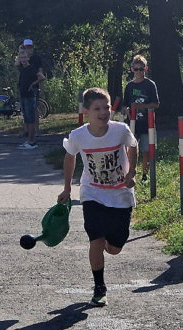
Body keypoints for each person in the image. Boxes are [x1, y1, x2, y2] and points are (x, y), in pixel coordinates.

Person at [57, 88, 138, 307]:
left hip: (120, 194)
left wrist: (132, 173)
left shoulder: (120, 130)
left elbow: (133, 146)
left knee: (115, 248)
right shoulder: (78, 136)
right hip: (92, 193)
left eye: (107, 107)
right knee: (95, 239)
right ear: (86, 112)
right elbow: (70, 159)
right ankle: (99, 287)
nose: (103, 112)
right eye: (97, 109)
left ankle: (106, 244)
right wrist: (67, 189)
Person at [123, 55, 159, 182]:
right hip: (132, 125)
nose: (138, 72)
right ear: (132, 69)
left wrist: (142, 106)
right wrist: (126, 110)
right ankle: (129, 174)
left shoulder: (150, 85)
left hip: (146, 125)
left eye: (141, 69)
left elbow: (156, 104)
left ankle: (145, 176)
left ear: (145, 69)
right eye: (136, 69)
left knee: (146, 151)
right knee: (129, 151)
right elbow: (125, 104)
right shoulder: (129, 86)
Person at [16, 49, 45, 150]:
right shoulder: (22, 69)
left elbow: (42, 77)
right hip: (23, 95)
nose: (23, 60)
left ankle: (32, 141)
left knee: (31, 119)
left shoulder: (31, 68)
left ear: (28, 58)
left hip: (30, 96)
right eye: (21, 58)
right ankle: (29, 140)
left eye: (24, 57)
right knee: (26, 119)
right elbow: (16, 63)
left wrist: (33, 84)